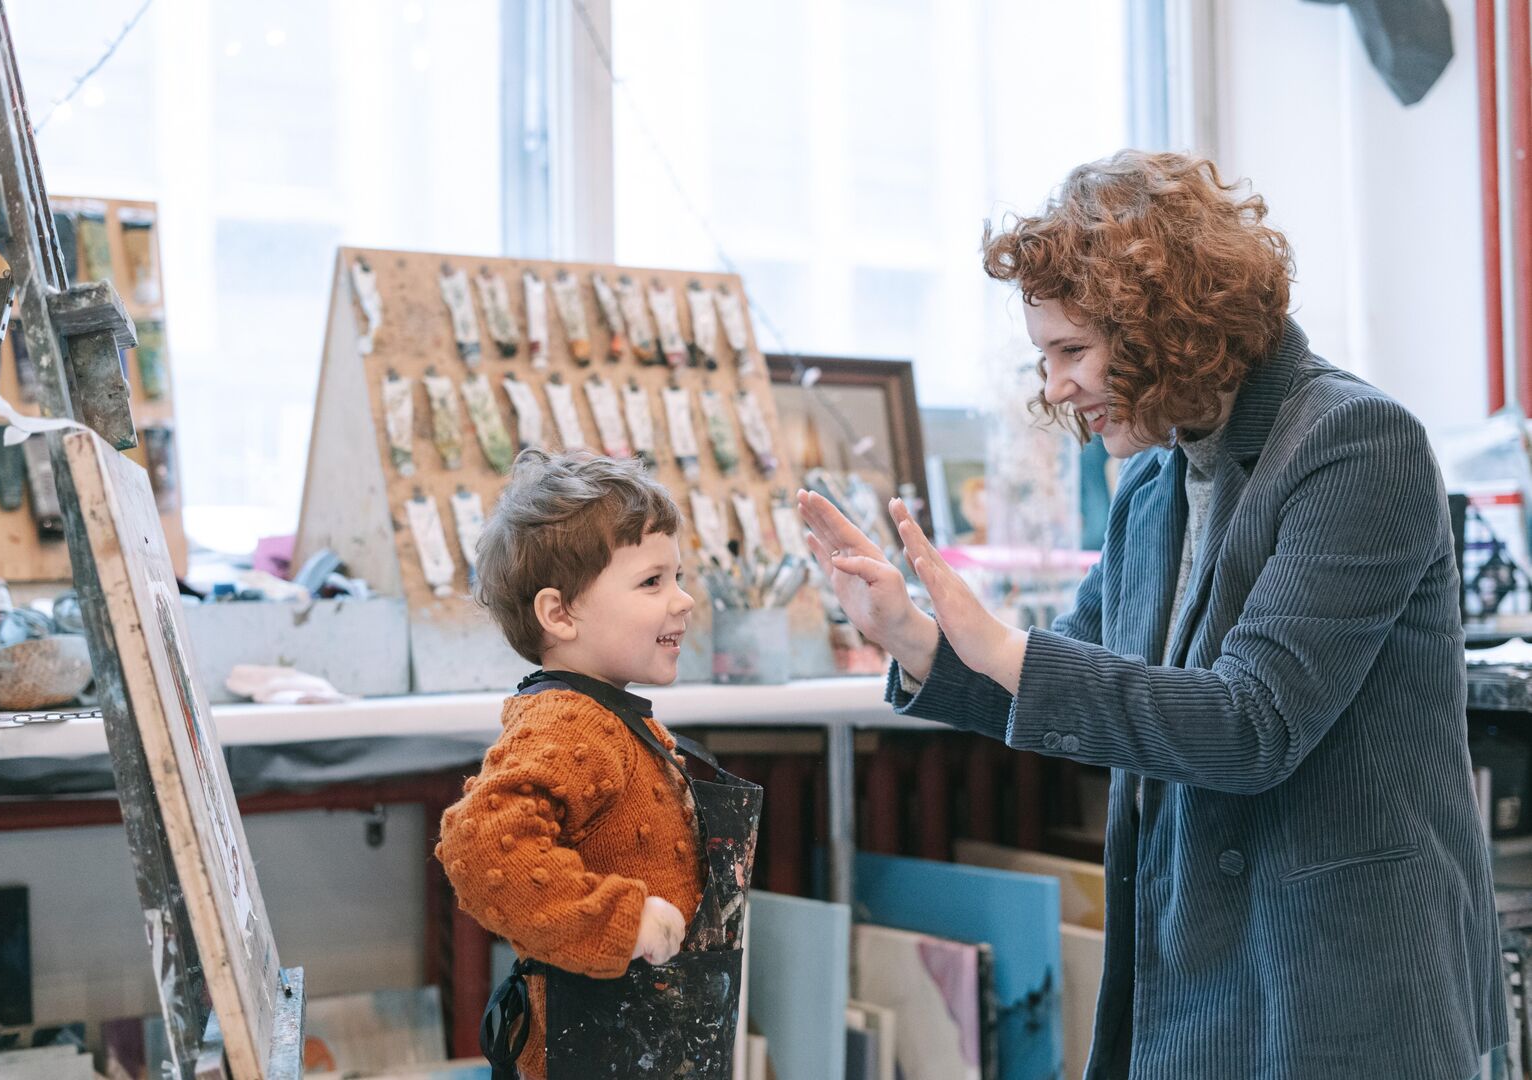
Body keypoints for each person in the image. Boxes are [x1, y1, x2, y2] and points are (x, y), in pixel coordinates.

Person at [799, 150, 1505, 1079]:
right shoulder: (1154, 484)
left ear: (1165, 328)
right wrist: (915, 638)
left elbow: (1252, 725)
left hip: (1342, 989)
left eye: (1071, 353)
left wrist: (1003, 645)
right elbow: (1088, 684)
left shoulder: (1357, 443)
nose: (1055, 388)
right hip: (1198, 983)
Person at [437, 449, 761, 1080]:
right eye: (652, 582)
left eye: (678, 576)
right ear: (560, 615)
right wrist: (622, 921)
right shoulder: (570, 721)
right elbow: (480, 845)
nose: (684, 600)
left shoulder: (612, 718)